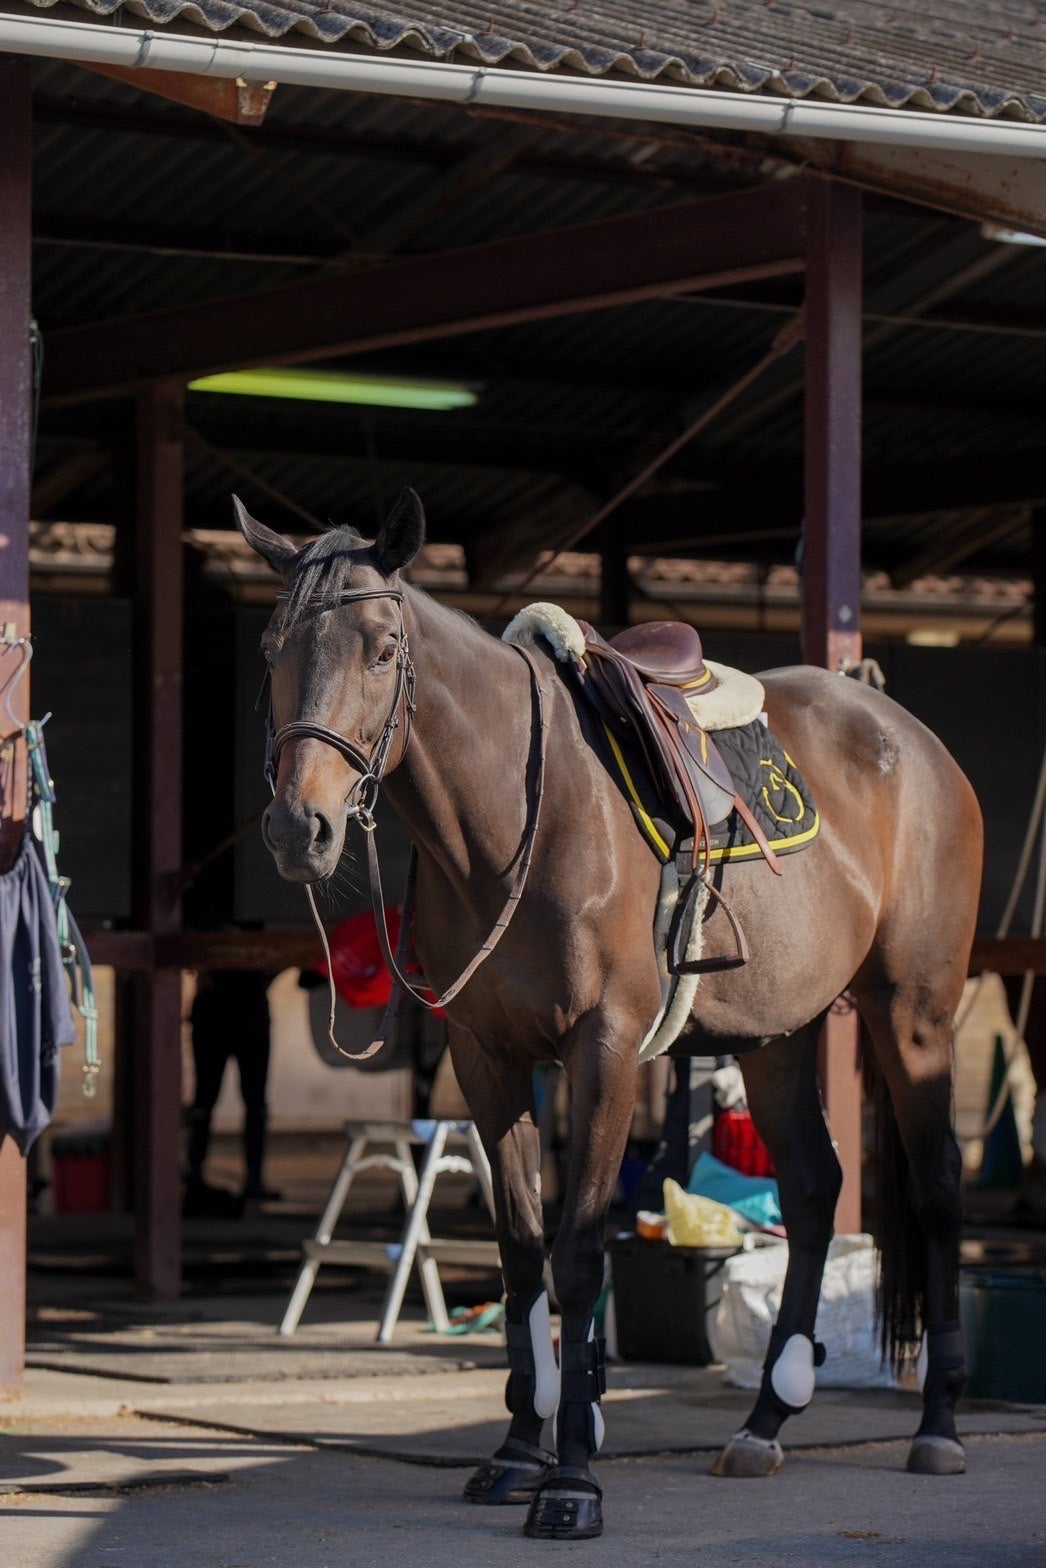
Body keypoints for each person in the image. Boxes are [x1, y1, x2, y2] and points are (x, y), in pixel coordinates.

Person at [184, 969, 279, 1216]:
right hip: (220, 1007)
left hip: (245, 1006)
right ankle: (195, 1173)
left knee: (252, 1102)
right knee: (205, 1101)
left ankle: (253, 1178)